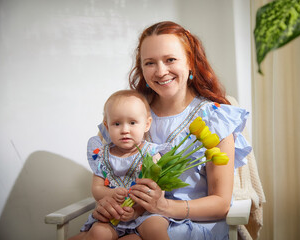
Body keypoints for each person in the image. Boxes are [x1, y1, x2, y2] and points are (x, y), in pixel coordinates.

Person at [90, 21, 252, 240]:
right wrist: (108, 203)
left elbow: (221, 203)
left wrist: (164, 206)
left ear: (190, 62)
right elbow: (106, 175)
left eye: (170, 60)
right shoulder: (126, 113)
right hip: (129, 221)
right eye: (150, 63)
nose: (161, 71)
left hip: (191, 223)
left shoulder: (215, 118)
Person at [70, 90, 171, 240]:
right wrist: (111, 193)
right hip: (112, 214)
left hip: (144, 213)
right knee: (98, 233)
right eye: (117, 124)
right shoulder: (103, 155)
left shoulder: (150, 153)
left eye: (132, 123)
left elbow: (158, 191)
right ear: (107, 126)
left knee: (155, 228)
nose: (125, 130)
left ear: (146, 124)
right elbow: (97, 188)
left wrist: (137, 211)